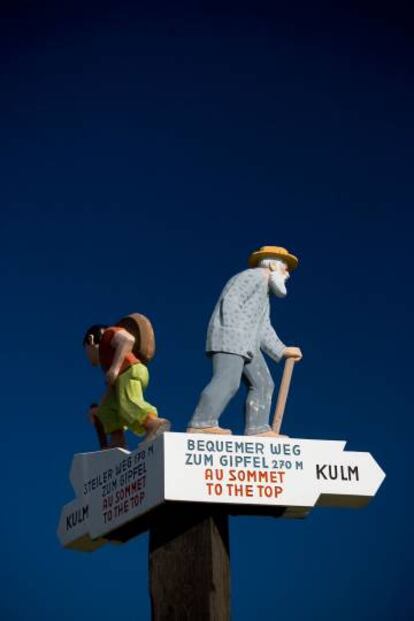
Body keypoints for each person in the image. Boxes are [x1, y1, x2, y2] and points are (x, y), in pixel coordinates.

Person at [187, 245, 302, 437]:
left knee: (264, 383)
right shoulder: (253, 276)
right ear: (273, 265)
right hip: (232, 338)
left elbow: (263, 327)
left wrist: (282, 350)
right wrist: (236, 335)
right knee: (228, 380)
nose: (288, 273)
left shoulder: (265, 293)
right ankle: (201, 423)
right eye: (285, 267)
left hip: (248, 344)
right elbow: (230, 302)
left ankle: (258, 429)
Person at [83, 324, 170, 448]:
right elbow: (110, 390)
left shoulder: (109, 334)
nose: (88, 355)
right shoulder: (106, 360)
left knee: (128, 402)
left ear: (91, 340)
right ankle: (117, 443)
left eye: (86, 349)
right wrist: (98, 412)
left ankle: (153, 424)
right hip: (120, 378)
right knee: (108, 409)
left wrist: (115, 368)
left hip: (130, 370)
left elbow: (128, 340)